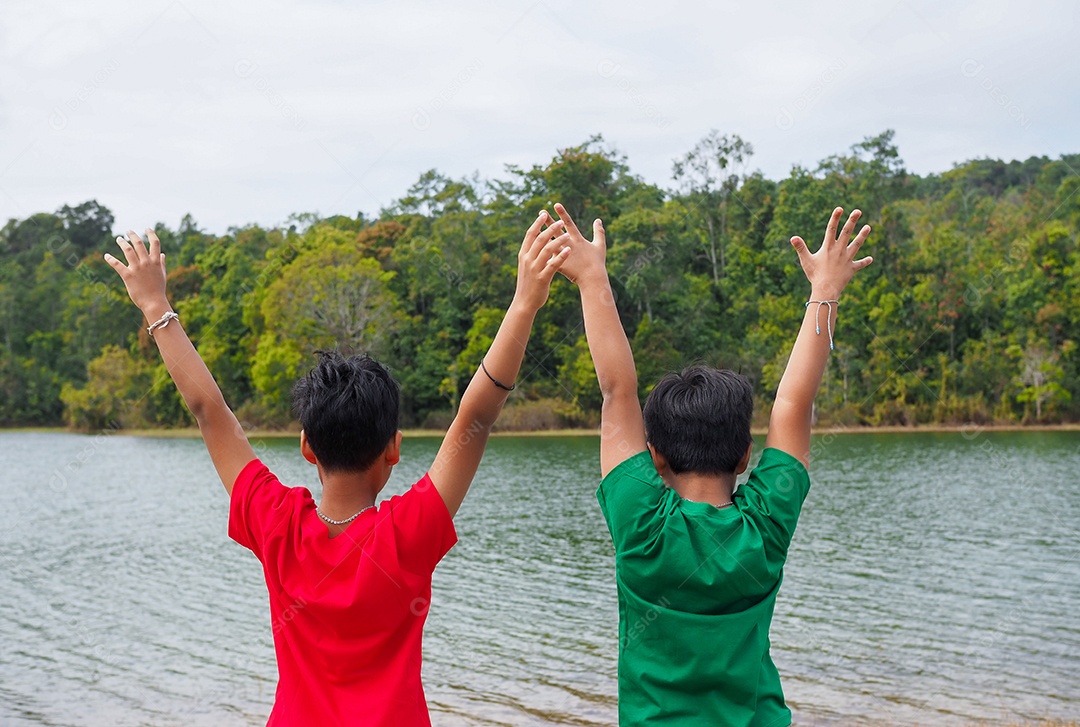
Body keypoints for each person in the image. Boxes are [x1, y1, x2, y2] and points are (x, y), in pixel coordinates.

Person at [103, 213, 571, 727]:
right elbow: (476, 415)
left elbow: (210, 411)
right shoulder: (407, 534)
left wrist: (156, 304)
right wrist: (525, 300)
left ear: (307, 446)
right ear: (393, 449)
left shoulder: (276, 523)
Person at [551, 203, 873, 726]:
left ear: (655, 459)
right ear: (746, 455)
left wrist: (592, 278)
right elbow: (793, 404)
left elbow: (617, 390)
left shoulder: (641, 529)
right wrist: (824, 292)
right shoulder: (765, 528)